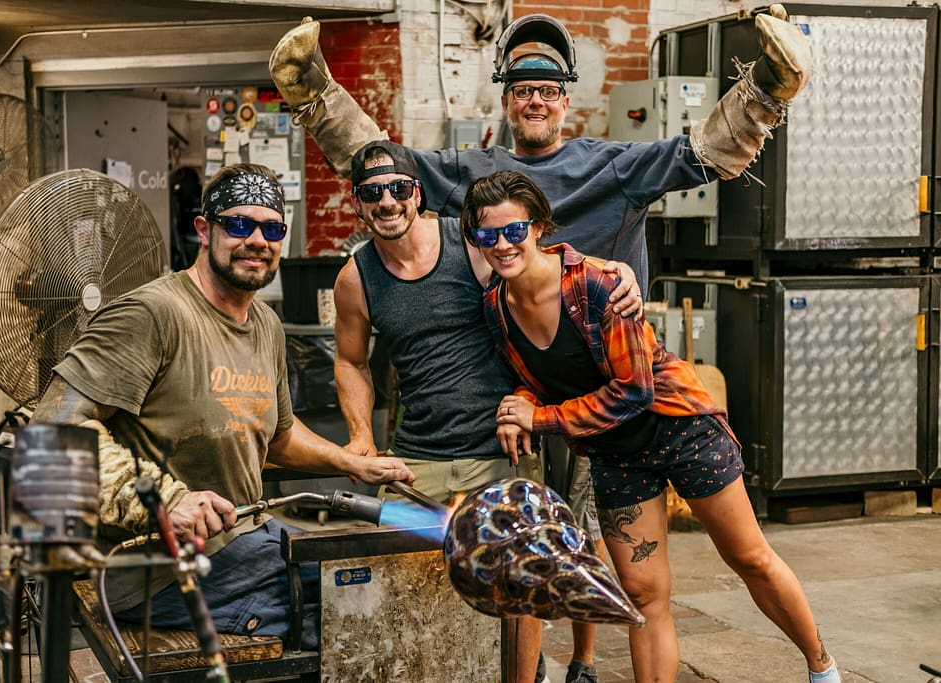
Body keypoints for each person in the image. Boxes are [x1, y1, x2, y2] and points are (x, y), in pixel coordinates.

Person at [270, 8, 811, 680]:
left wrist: (762, 88)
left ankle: (584, 658)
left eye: (548, 88)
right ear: (505, 98)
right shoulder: (474, 171)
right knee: (533, 540)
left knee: (583, 533)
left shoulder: (610, 165)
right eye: (523, 86)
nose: (535, 98)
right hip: (521, 384)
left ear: (564, 100)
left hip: (609, 392)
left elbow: (704, 153)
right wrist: (317, 96)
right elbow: (386, 169)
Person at [460, 169, 841, 683]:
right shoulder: (496, 309)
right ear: (474, 240)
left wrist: (541, 418)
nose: (502, 245)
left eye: (513, 230)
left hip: (679, 428)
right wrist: (519, 402)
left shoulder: (597, 285)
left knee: (749, 557)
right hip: (616, 453)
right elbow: (542, 377)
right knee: (641, 595)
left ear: (539, 227)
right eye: (487, 235)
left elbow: (634, 391)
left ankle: (821, 666)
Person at [31, 163, 415, 650]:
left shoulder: (265, 324)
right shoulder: (153, 314)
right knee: (360, 608)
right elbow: (50, 432)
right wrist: (168, 502)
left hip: (245, 537)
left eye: (272, 229)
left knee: (377, 578)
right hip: (156, 569)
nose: (257, 239)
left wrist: (350, 461)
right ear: (203, 229)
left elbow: (277, 435)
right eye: (239, 225)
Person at [335, 140, 642, 683]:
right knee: (404, 583)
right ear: (356, 203)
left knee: (518, 583)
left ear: (418, 194)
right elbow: (351, 362)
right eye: (372, 193)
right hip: (415, 458)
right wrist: (361, 436)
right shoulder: (355, 279)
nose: (386, 202)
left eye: (398, 189)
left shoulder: (470, 245)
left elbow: (537, 260)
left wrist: (615, 272)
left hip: (500, 448)